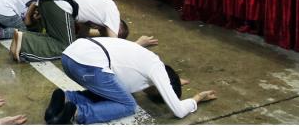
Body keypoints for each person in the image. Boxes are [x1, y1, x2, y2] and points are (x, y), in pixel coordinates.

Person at [44, 37, 217, 124]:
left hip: (69, 57)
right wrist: (197, 98)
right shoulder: (157, 68)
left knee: (115, 93)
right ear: (163, 85)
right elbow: (178, 111)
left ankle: (66, 98)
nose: (148, 94)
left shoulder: (146, 58)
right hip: (89, 66)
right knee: (128, 105)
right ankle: (76, 113)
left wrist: (176, 81)